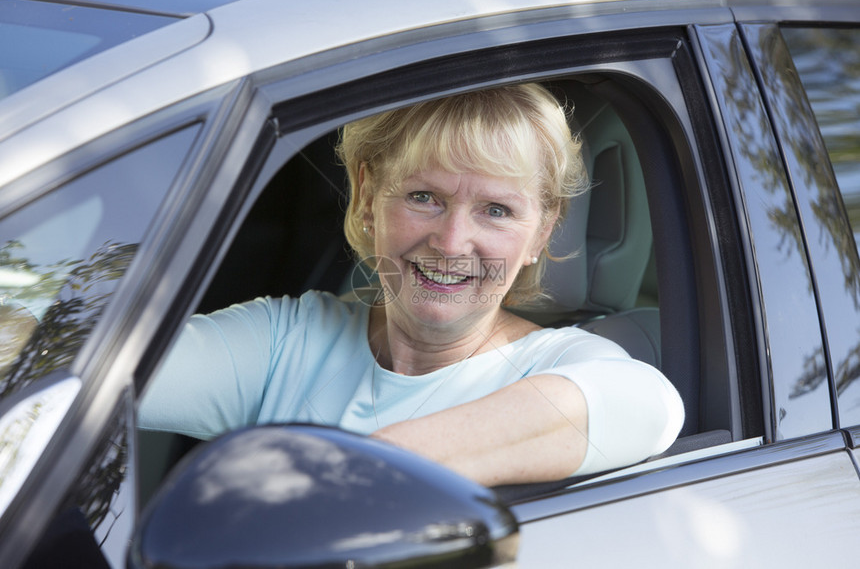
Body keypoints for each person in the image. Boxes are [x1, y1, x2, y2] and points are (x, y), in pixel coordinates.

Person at [139, 83, 684, 486]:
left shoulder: (567, 362)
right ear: (367, 195)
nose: (450, 242)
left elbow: (648, 406)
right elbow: (93, 371)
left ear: (541, 232)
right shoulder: (290, 339)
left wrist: (340, 476)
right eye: (425, 197)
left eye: (495, 210)